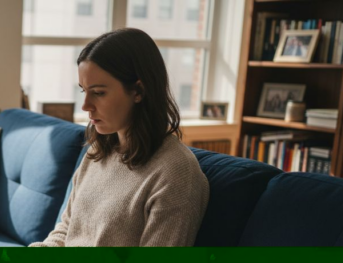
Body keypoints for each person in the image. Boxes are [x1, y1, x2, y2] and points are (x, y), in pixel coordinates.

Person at [30, 28, 210, 247]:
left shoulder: (176, 173)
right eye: (83, 91)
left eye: (98, 92)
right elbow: (65, 231)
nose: (85, 105)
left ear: (138, 91)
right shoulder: (97, 152)